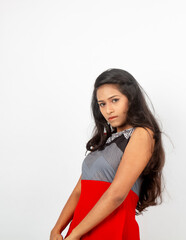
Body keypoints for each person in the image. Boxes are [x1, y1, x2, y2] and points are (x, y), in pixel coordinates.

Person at [50, 68, 165, 240]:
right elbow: (78, 191)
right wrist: (57, 229)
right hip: (82, 227)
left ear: (131, 99)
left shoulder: (141, 134)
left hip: (110, 228)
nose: (108, 110)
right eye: (102, 104)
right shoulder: (106, 140)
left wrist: (75, 234)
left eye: (115, 100)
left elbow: (117, 194)